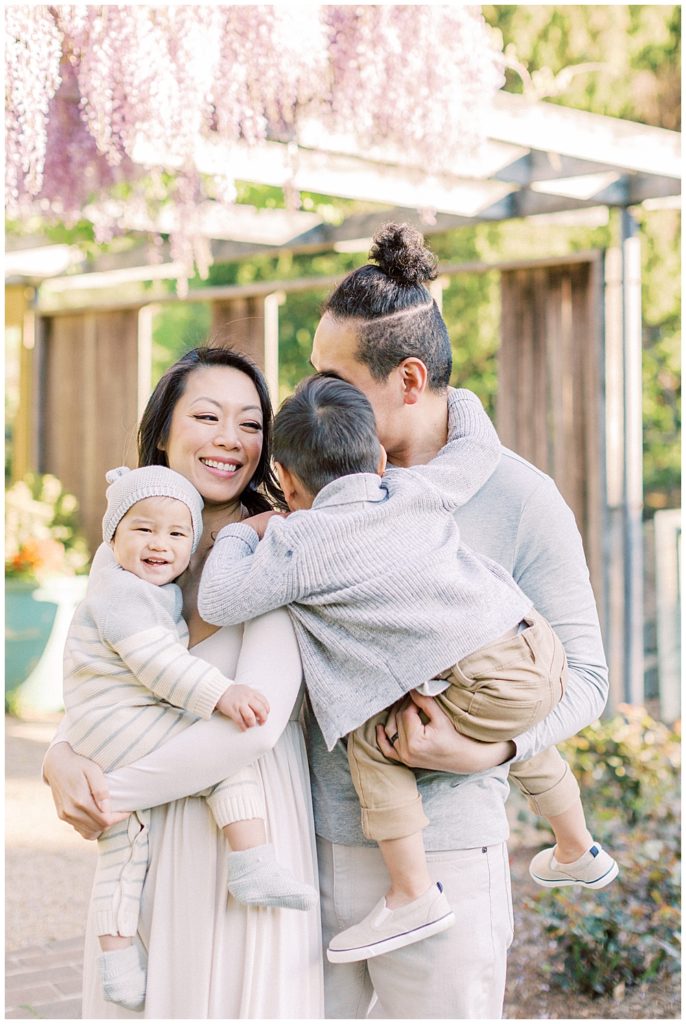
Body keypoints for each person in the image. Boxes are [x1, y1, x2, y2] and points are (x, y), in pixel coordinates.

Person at [197, 373, 616, 967]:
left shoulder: (299, 545)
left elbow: (218, 600)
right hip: (534, 653)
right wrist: (459, 397)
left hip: (477, 681)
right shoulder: (417, 490)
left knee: (374, 734)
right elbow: (475, 448)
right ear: (377, 458)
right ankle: (576, 845)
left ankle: (412, 891)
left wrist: (246, 532)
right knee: (509, 728)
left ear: (287, 484)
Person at [305, 223, 609, 1018]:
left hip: (448, 855)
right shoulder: (312, 483)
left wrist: (485, 748)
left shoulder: (520, 497)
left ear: (409, 378)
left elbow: (587, 680)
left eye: (333, 380)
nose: (313, 399)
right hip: (305, 843)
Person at [42, 347, 324, 1019]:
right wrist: (61, 754)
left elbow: (248, 734)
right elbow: (101, 677)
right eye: (207, 416)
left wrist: (110, 789)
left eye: (251, 424)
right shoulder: (129, 547)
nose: (231, 439)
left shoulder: (278, 548)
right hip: (140, 839)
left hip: (245, 826)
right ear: (163, 432)